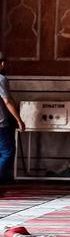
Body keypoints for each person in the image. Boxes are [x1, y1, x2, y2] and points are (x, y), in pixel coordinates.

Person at [0, 51, 27, 184]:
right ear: (2, 64)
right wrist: (19, 119)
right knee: (7, 152)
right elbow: (7, 101)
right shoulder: (1, 79)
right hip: (0, 124)